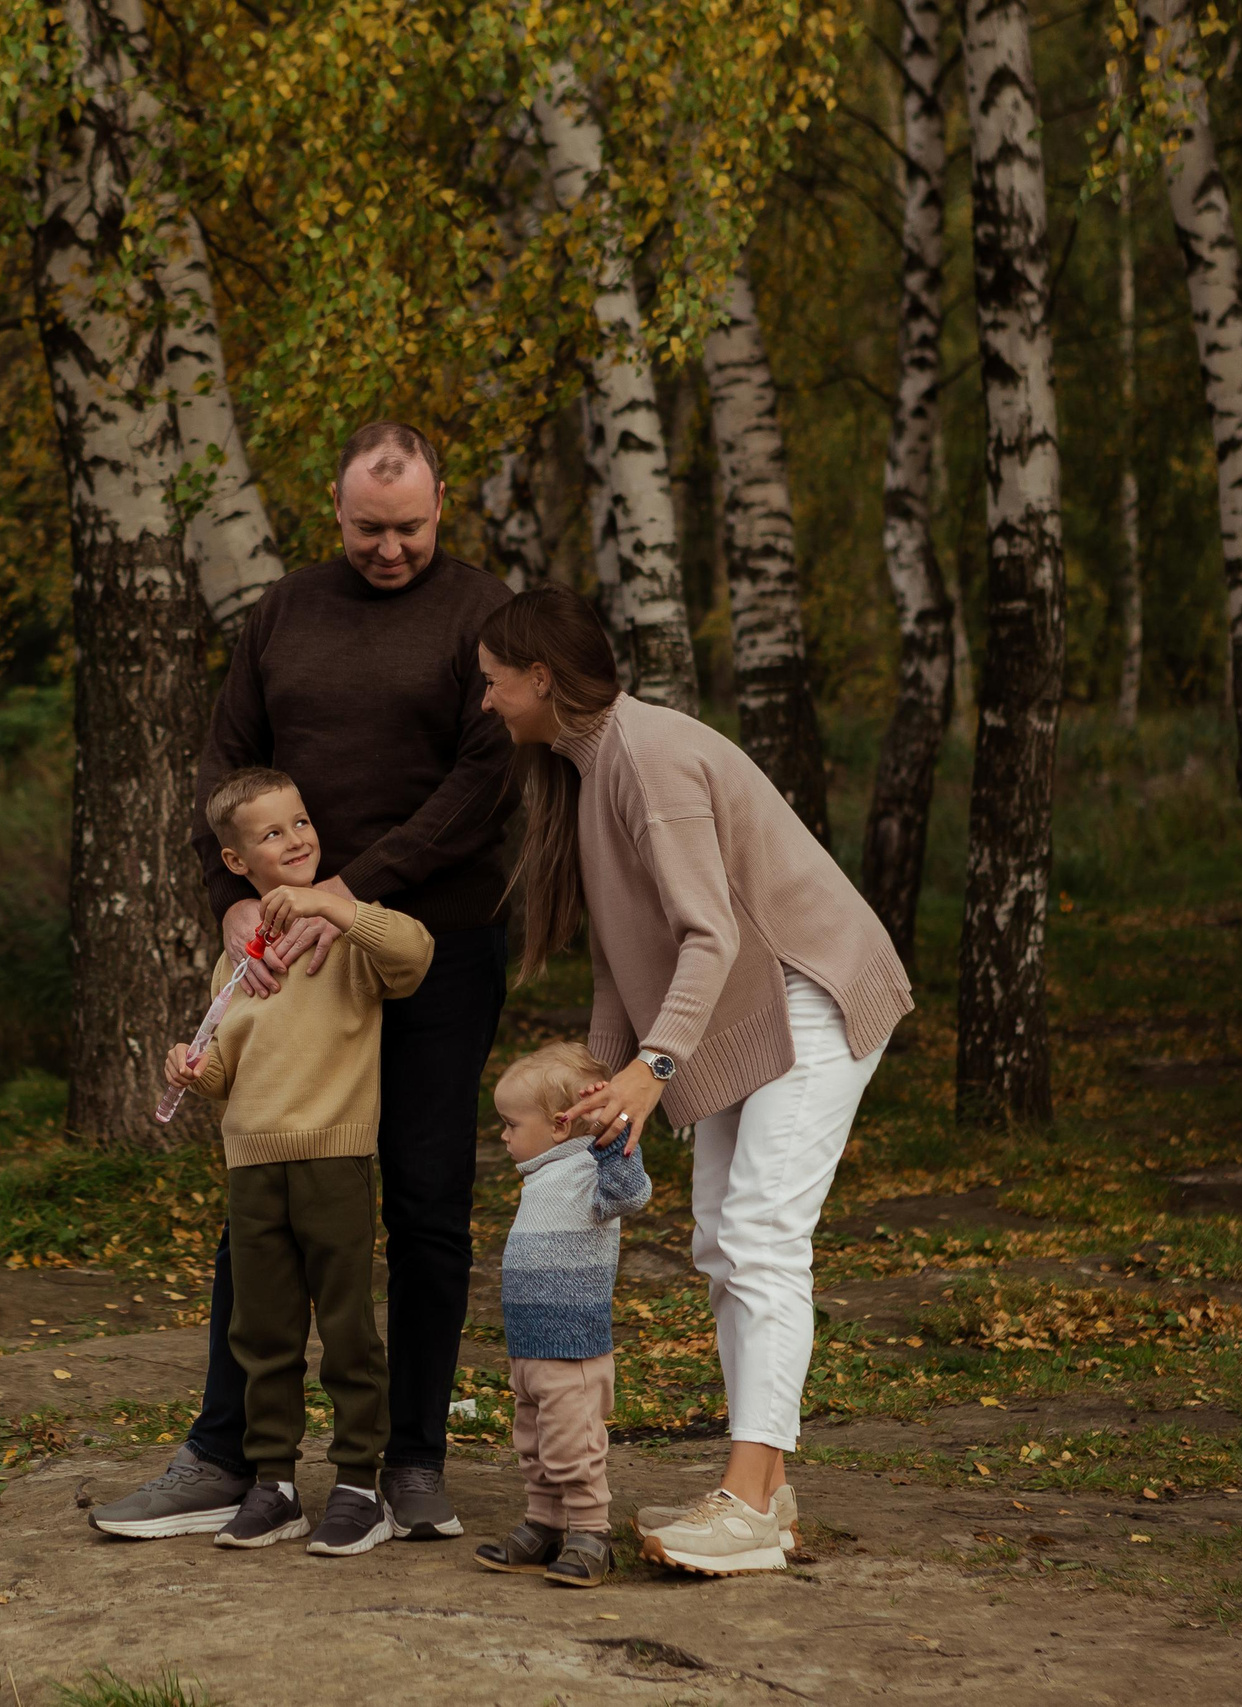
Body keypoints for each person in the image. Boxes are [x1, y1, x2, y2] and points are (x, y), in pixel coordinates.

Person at [90, 421, 513, 1544]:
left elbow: (485, 781)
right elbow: (225, 765)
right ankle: (231, 1456)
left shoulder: (481, 614)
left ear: (442, 509)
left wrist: (349, 891)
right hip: (286, 962)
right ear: (335, 514)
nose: (388, 549)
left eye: (410, 529)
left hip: (433, 944)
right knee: (264, 1199)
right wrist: (224, 898)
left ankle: (411, 1460)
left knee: (425, 1204)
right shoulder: (283, 612)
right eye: (368, 529)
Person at [474, 585, 912, 1577]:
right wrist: (600, 1076)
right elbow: (622, 958)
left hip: (810, 981)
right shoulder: (591, 772)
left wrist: (651, 1067)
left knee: (760, 1230)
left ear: (542, 679)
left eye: (493, 683)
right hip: (744, 999)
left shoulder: (651, 759)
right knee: (719, 1236)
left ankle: (749, 1498)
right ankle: (764, 1491)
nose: (485, 702)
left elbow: (710, 931)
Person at [154, 766, 434, 1555]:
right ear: (237, 863)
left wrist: (330, 905)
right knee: (263, 1332)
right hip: (252, 1166)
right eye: (273, 833)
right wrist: (190, 1065)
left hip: (334, 1156)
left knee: (347, 1327)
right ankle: (273, 1484)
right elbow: (224, 1071)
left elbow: (414, 954)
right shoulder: (239, 961)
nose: (297, 838)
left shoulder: (347, 935)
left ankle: (357, 1482)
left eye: (302, 821)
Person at [473, 1041, 650, 1589]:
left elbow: (633, 1193)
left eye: (509, 1123)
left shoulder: (589, 1171)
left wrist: (615, 1137)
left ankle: (591, 1532)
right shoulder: (543, 1175)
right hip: (529, 1348)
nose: (502, 1135)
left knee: (574, 1446)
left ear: (556, 1126)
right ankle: (545, 1525)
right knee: (534, 1444)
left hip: (572, 1350)